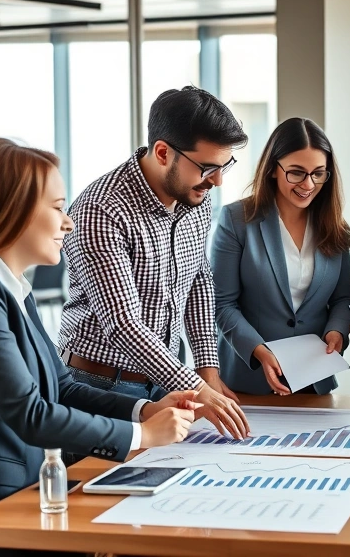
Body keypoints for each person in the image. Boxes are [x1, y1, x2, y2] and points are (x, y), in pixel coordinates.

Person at [0, 139, 202, 557]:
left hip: (16, 502)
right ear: (9, 210)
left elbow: (63, 387)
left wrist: (145, 410)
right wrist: (141, 435)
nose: (68, 222)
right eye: (57, 207)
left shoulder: (10, 287)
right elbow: (29, 412)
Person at [59, 86, 249, 439]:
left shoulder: (195, 197)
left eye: (224, 167)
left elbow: (198, 283)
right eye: (208, 167)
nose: (218, 181)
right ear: (163, 152)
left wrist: (208, 372)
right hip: (99, 387)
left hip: (166, 387)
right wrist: (194, 385)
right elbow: (123, 323)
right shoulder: (102, 210)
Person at [211, 118, 350, 395]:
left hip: (314, 380)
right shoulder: (236, 220)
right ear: (273, 170)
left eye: (318, 173)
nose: (308, 184)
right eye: (297, 172)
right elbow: (222, 303)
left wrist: (337, 332)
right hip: (247, 379)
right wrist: (259, 351)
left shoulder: (336, 227)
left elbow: (344, 298)